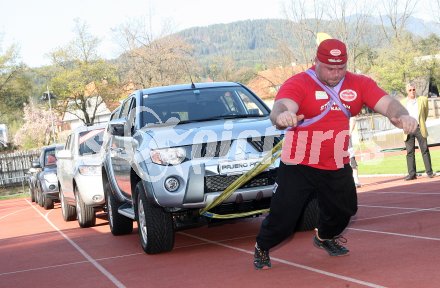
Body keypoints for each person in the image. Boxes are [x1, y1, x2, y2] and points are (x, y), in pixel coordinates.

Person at [253, 38, 418, 270]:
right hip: (299, 161)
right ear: (315, 61)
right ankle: (262, 246)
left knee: (344, 211)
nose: (335, 74)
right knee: (284, 218)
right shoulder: (299, 82)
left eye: (341, 68)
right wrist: (281, 117)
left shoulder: (359, 83)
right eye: (330, 68)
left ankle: (323, 238)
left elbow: (388, 104)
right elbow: (282, 105)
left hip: (336, 161)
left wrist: (402, 116)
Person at [400, 83, 436, 180]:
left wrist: (421, 123)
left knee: (425, 150)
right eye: (410, 90)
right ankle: (412, 174)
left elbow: (425, 113)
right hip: (408, 129)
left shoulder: (422, 100)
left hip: (419, 128)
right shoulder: (402, 102)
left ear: (415, 90)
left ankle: (429, 172)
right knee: (409, 152)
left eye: (413, 89)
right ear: (407, 91)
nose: (412, 91)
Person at [348, 117, 361, 187]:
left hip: (347, 145)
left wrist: (350, 131)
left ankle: (356, 180)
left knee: (352, 162)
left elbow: (353, 119)